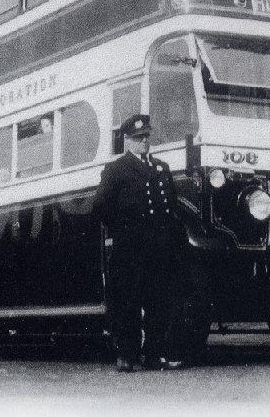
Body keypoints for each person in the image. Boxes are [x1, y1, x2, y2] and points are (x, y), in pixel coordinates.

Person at [92, 114, 187, 372]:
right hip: (130, 248)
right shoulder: (116, 169)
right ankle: (128, 354)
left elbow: (172, 207)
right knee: (128, 302)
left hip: (159, 247)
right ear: (127, 141)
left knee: (159, 302)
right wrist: (123, 230)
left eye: (146, 137)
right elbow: (100, 206)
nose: (144, 142)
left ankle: (153, 354)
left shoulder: (161, 168)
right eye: (138, 138)